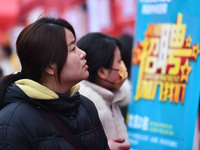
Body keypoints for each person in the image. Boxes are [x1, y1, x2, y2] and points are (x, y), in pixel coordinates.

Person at [0, 17, 109, 150]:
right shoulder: (11, 122)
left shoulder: (86, 106)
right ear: (50, 67)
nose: (83, 53)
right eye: (73, 48)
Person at [77, 32, 131, 150]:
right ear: (102, 72)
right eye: (118, 62)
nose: (122, 67)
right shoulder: (83, 108)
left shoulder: (113, 97)